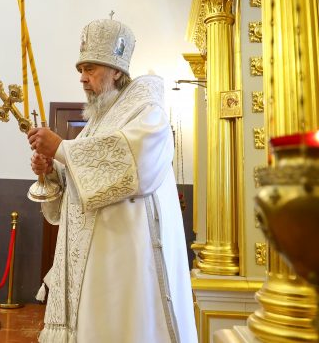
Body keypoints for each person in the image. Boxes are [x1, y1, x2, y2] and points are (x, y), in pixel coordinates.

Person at [27, 19, 197, 343]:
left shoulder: (146, 110)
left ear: (116, 71)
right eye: (81, 69)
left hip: (125, 260)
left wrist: (61, 148)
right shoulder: (98, 122)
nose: (82, 77)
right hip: (92, 263)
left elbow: (131, 161)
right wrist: (51, 170)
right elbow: (80, 182)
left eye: (90, 68)